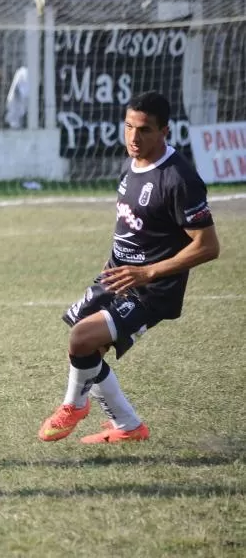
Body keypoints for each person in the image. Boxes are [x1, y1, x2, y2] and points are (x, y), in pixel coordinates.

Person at [38, 91, 220, 444]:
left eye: (145, 130)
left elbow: (208, 246)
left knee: (82, 338)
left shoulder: (179, 178)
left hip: (153, 289)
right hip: (118, 275)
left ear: (164, 131)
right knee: (84, 348)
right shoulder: (132, 162)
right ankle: (128, 426)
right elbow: (135, 225)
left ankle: (73, 406)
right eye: (129, 127)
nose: (134, 138)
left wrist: (148, 272)